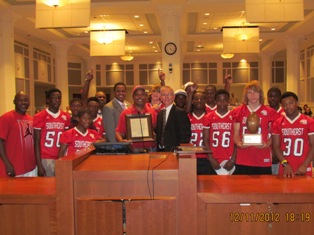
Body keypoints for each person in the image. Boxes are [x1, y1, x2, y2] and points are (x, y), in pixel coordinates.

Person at [233, 80, 277, 175]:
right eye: (249, 92)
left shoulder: (270, 112)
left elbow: (273, 134)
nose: (253, 95)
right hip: (243, 157)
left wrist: (266, 144)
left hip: (262, 157)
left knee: (263, 189)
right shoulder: (238, 111)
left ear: (260, 94)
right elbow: (235, 133)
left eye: (255, 92)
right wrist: (239, 143)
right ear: (246, 95)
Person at [272, 92, 314, 177]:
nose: (288, 107)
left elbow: (313, 145)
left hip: (304, 167)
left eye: (291, 103)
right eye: (285, 104)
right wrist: (285, 164)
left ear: (297, 103)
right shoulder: (278, 123)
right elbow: (276, 146)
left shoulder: (309, 121)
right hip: (285, 168)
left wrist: (305, 165)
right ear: (282, 106)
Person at [34, 88, 71, 176]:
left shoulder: (66, 116)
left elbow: (65, 140)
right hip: (46, 157)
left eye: (59, 98)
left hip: (60, 157)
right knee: (47, 187)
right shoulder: (39, 116)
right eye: (54, 98)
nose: (57, 100)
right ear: (48, 100)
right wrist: (39, 164)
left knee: (61, 186)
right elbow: (36, 142)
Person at [0, 92, 37, 177]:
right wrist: (7, 164)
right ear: (14, 101)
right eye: (20, 100)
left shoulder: (32, 119)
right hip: (13, 168)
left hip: (30, 168)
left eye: (26, 100)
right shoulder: (6, 118)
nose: (23, 103)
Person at [203, 89, 236, 175]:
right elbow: (205, 139)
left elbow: (237, 139)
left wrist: (233, 159)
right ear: (215, 101)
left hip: (229, 158)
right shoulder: (208, 117)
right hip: (213, 158)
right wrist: (211, 158)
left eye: (225, 101)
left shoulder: (234, 116)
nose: (222, 103)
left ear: (228, 101)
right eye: (219, 101)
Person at [116, 85, 157, 151]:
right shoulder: (125, 113)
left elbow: (156, 128)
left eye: (142, 94)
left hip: (151, 149)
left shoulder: (152, 112)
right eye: (137, 95)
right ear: (133, 97)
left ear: (146, 97)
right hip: (133, 150)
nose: (140, 97)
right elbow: (118, 132)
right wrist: (121, 141)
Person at [187, 90, 215, 174]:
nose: (199, 101)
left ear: (205, 101)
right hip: (191, 157)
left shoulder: (211, 116)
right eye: (196, 99)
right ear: (192, 101)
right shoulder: (186, 117)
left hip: (206, 157)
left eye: (202, 99)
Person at [156, 86, 191, 152]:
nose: (166, 97)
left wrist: (179, 150)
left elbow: (186, 135)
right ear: (160, 98)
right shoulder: (160, 114)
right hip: (161, 151)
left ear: (173, 97)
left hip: (175, 151)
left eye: (169, 94)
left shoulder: (180, 113)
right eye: (164, 94)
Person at [267, 87, 285, 175]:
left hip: (282, 152)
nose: (273, 98)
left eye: (275, 96)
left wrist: (277, 153)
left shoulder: (285, 113)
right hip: (266, 151)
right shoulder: (264, 112)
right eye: (270, 96)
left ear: (280, 98)